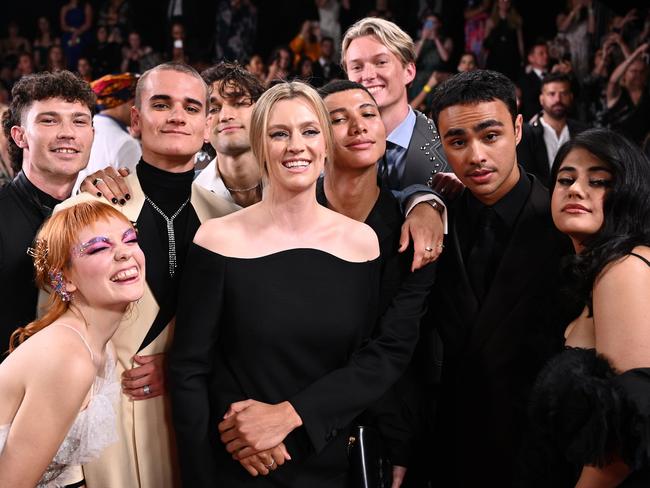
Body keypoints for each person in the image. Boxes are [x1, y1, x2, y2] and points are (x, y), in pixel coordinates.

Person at [169, 81, 413, 487]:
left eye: (309, 131)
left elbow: (369, 363)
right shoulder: (216, 239)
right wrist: (224, 449)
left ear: (326, 144)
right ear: (260, 146)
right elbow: (191, 369)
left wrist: (292, 419)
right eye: (279, 133)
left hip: (332, 459)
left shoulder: (363, 243)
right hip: (243, 462)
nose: (296, 145)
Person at [71, 62, 238, 488]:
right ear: (135, 119)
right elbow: (50, 334)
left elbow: (247, 334)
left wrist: (180, 363)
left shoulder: (233, 220)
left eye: (191, 106)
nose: (177, 116)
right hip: (105, 430)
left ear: (207, 126)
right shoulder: (87, 211)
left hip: (199, 420)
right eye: (161, 104)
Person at [424, 70, 573, 487]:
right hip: (449, 450)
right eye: (457, 142)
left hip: (539, 455)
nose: (475, 156)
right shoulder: (435, 215)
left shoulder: (566, 228)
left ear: (519, 128)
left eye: (490, 136)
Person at [317, 79, 437, 487]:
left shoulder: (414, 228)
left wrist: (398, 438)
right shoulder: (289, 217)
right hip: (297, 429)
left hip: (383, 430)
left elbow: (398, 346)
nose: (358, 126)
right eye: (339, 118)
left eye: (368, 114)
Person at [524, 129, 650, 487]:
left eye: (598, 181)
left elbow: (630, 427)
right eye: (566, 179)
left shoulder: (623, 268)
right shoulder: (591, 274)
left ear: (631, 193)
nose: (576, 189)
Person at [0, 200, 145, 487]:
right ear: (63, 279)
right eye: (99, 248)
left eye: (130, 239)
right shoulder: (68, 358)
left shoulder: (101, 348)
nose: (125, 253)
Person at [0, 70, 95, 362]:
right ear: (20, 136)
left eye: (79, 121)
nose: (68, 132)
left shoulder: (100, 216)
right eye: (49, 120)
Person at [194, 62, 264, 208]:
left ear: (263, 114)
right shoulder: (187, 197)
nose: (225, 116)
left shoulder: (302, 182)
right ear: (204, 129)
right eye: (213, 109)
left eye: (239, 103)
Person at [517, 72, 589, 187]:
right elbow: (526, 174)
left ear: (571, 97)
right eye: (552, 94)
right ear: (541, 99)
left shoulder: (583, 132)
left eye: (563, 93)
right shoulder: (526, 133)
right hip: (540, 199)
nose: (558, 99)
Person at [73, 73, 141, 194]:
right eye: (136, 103)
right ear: (127, 102)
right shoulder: (126, 143)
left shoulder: (83, 128)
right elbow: (134, 200)